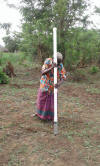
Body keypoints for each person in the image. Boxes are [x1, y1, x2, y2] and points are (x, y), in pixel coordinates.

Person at [35, 52, 66, 121]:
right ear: (53, 59)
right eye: (57, 62)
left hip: (53, 86)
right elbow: (43, 72)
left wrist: (59, 84)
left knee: (51, 102)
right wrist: (52, 67)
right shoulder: (48, 61)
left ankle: (48, 117)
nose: (58, 64)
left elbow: (63, 77)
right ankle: (39, 114)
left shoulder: (60, 65)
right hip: (45, 83)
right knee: (41, 100)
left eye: (60, 62)